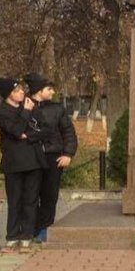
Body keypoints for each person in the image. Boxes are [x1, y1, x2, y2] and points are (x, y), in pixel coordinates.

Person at [0, 77, 46, 253]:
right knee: (14, 200)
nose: (22, 93)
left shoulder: (29, 106)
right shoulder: (0, 111)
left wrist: (27, 135)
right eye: (17, 91)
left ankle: (27, 236)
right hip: (13, 162)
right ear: (8, 94)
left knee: (30, 200)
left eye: (22, 89)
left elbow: (43, 129)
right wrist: (26, 114)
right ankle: (12, 236)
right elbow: (15, 130)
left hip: (33, 160)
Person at [24, 72, 78, 243]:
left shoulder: (57, 109)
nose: (53, 92)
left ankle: (45, 228)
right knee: (31, 195)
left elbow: (68, 132)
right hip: (31, 156)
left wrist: (68, 153)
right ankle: (30, 229)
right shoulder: (23, 106)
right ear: (38, 90)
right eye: (49, 89)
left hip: (53, 157)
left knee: (49, 195)